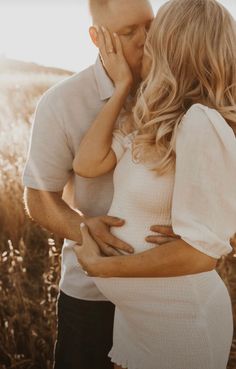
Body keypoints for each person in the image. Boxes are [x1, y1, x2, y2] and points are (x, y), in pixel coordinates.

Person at [73, 0, 236, 368]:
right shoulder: (150, 119)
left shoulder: (200, 123)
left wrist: (103, 268)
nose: (144, 42)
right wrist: (122, 89)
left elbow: (200, 253)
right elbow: (87, 164)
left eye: (154, 34)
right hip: (140, 321)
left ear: (175, 46)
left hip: (181, 322)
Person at [22, 1, 183, 368]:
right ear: (97, 38)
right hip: (92, 294)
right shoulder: (61, 103)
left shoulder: (182, 90)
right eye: (129, 33)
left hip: (169, 289)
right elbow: (38, 197)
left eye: (149, 26)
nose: (147, 40)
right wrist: (83, 227)